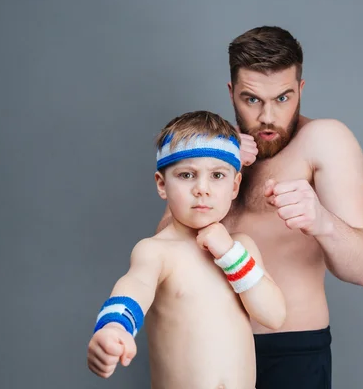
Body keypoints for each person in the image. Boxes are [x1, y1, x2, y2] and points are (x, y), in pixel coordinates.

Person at [156, 26, 363, 388]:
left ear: (301, 90)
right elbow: (163, 249)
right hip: (206, 353)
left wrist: (322, 221)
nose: (267, 117)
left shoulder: (324, 140)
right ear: (232, 93)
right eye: (252, 100)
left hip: (289, 352)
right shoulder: (214, 149)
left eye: (282, 98)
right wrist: (225, 166)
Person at [87, 110, 286, 389]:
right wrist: (113, 327)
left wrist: (229, 254)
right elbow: (135, 287)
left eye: (217, 175)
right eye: (187, 175)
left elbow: (274, 315)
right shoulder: (157, 251)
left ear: (235, 185)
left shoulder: (242, 248)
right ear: (162, 184)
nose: (202, 189)